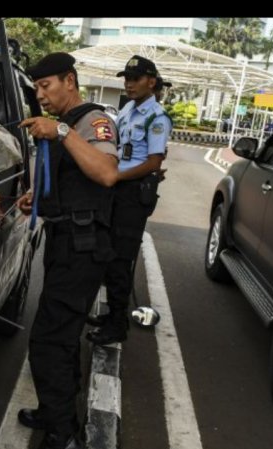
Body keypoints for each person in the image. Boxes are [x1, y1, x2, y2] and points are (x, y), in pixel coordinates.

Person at [15, 52, 119, 449]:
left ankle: (63, 440)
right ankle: (56, 412)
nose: (41, 96)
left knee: (48, 342)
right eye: (36, 89)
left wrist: (59, 132)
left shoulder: (93, 122)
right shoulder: (69, 125)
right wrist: (36, 200)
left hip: (83, 248)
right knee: (60, 336)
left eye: (47, 87)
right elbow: (70, 182)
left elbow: (106, 173)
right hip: (65, 241)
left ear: (70, 81)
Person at [87, 55, 172, 346]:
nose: (129, 84)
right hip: (116, 189)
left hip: (131, 195)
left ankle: (118, 324)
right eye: (126, 78)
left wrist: (118, 177)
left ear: (151, 81)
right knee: (108, 254)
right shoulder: (126, 112)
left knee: (121, 259)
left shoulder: (156, 117)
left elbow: (153, 162)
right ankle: (113, 315)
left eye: (135, 79)